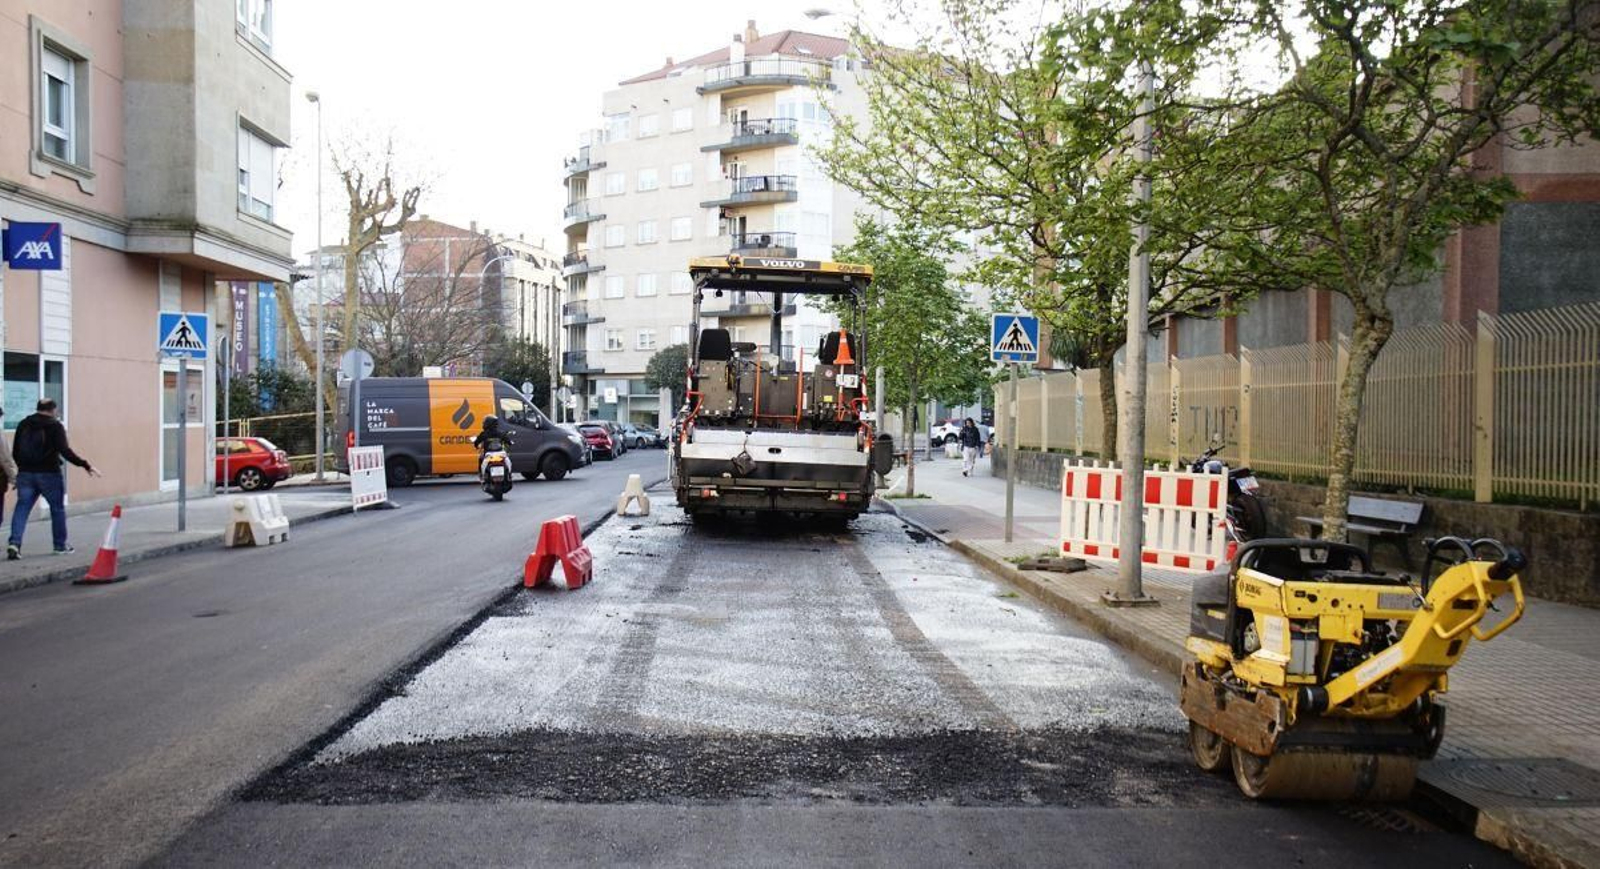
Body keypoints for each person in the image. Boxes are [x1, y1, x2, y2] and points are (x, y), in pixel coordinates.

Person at [8, 399, 99, 558]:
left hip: (26, 474)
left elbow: (15, 451)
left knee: (21, 508)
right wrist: (84, 464)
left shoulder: (23, 424)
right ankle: (60, 545)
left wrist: (21, 471)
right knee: (57, 509)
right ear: (52, 410)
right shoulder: (55, 426)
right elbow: (65, 451)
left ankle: (14, 544)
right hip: (49, 473)